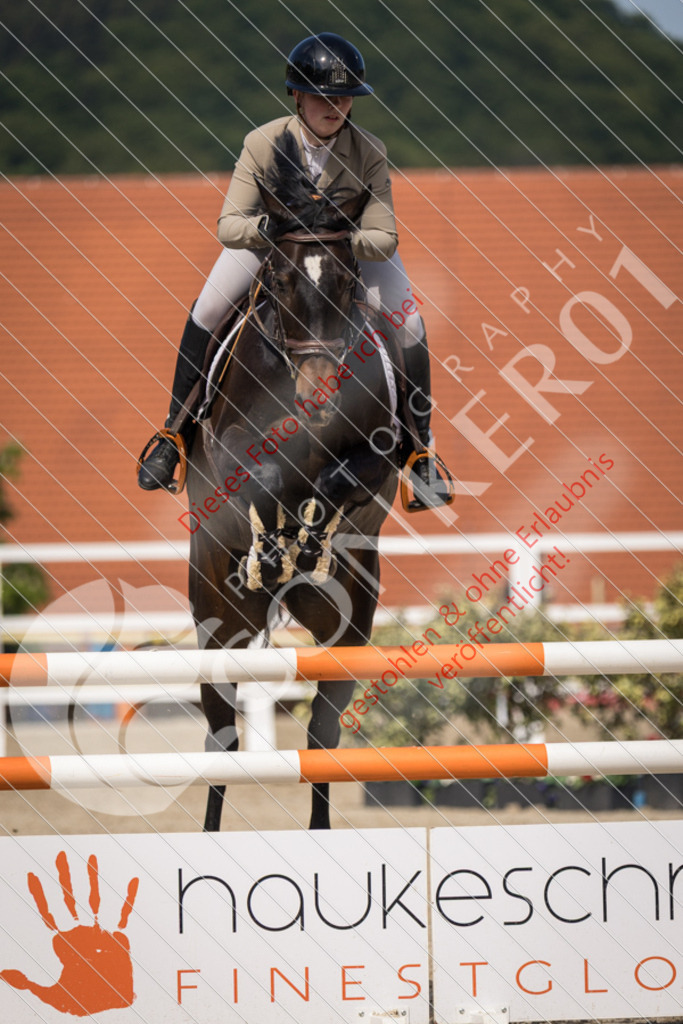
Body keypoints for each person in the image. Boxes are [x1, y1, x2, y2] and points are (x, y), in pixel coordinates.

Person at [138, 32, 451, 509]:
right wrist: (281, 231)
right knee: (210, 308)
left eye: (345, 97)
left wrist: (336, 239)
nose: (336, 106)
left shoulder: (370, 150)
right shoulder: (262, 143)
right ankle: (173, 435)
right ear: (298, 95)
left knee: (409, 321)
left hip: (351, 254)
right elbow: (230, 224)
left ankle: (421, 454)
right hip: (273, 248)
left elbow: (384, 236)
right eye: (325, 96)